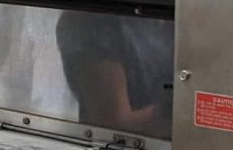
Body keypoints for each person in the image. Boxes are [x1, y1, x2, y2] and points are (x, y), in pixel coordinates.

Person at [56, 10, 173, 140]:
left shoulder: (163, 15)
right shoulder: (92, 23)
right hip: (130, 148)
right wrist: (175, 108)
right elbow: (113, 126)